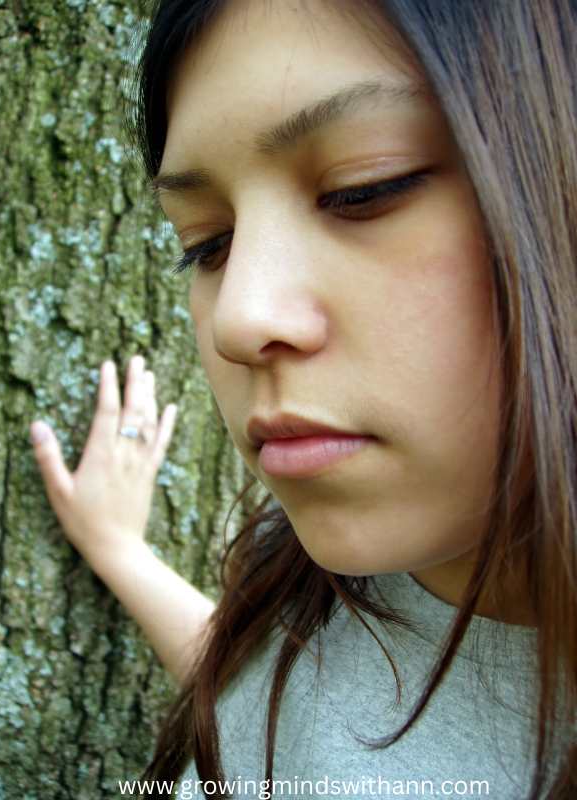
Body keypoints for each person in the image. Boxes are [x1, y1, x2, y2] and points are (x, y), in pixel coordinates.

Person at [29, 0, 576, 797]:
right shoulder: (316, 569)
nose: (239, 320)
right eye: (206, 244)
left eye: (365, 188)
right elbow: (280, 713)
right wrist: (122, 552)